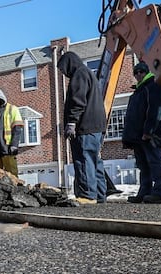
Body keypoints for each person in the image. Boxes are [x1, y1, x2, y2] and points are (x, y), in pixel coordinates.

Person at [57, 50, 108, 204]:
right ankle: (99, 195)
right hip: (96, 127)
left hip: (85, 127)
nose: (63, 73)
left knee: (84, 160)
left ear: (69, 64)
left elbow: (77, 100)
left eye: (63, 69)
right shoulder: (88, 74)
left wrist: (71, 122)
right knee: (94, 162)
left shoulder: (79, 74)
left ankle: (87, 195)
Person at [123, 62, 161, 204]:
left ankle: (158, 192)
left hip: (149, 135)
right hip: (137, 137)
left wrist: (149, 131)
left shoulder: (152, 88)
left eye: (141, 71)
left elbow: (155, 110)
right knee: (143, 165)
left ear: (146, 72)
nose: (138, 74)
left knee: (154, 163)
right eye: (136, 72)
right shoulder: (138, 91)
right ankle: (144, 192)